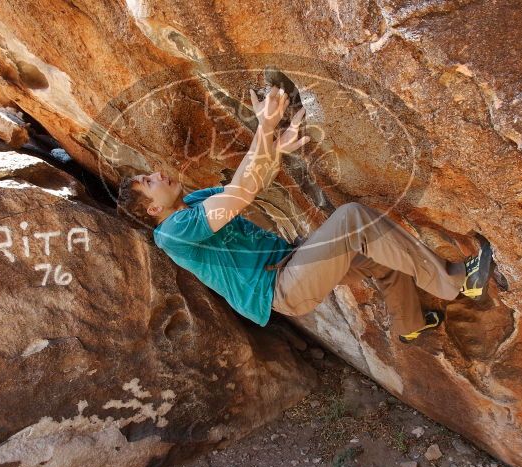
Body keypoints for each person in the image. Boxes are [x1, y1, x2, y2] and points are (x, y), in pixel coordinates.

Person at [118, 85, 493, 344]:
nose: (157, 174)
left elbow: (252, 180)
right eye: (149, 182)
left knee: (379, 254)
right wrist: (264, 128)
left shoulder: (195, 200)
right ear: (153, 209)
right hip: (281, 288)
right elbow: (241, 191)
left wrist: (273, 145)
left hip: (292, 261)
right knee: (352, 218)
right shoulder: (171, 233)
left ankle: (410, 325)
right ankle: (456, 282)